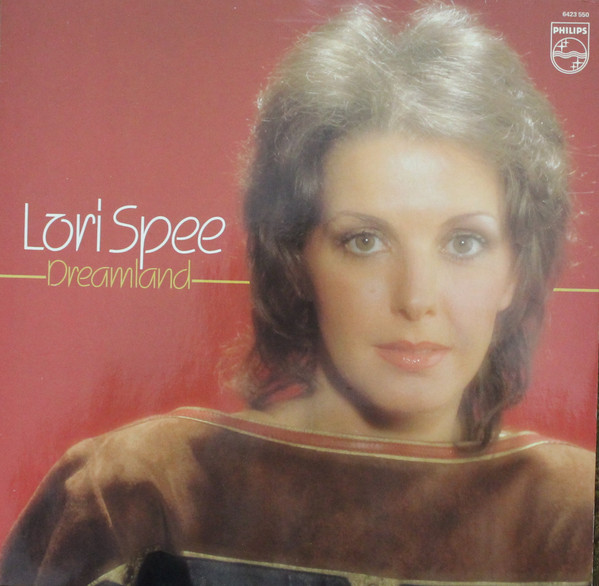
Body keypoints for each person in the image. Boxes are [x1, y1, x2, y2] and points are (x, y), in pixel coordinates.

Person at [0, 3, 594, 585]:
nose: (416, 299)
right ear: (297, 259)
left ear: (515, 270)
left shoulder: (574, 515)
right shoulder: (136, 492)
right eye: (365, 241)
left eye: (464, 243)